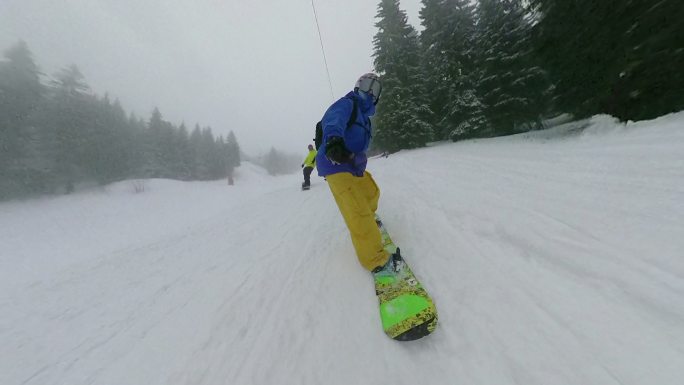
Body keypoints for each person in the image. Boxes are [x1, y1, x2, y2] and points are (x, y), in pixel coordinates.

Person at [316, 72, 395, 273]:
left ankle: (370, 219)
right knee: (358, 212)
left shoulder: (364, 118)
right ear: (357, 86)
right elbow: (333, 120)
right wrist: (334, 140)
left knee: (371, 193)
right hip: (336, 165)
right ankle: (375, 259)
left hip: (353, 167)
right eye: (367, 84)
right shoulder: (347, 104)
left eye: (375, 88)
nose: (369, 90)